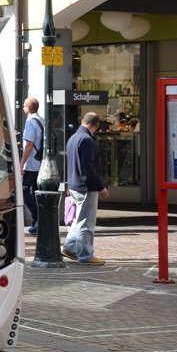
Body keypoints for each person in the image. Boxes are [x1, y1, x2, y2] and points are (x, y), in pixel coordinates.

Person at [63, 112, 109, 264]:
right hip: (86, 186)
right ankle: (86, 255)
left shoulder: (73, 138)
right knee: (86, 222)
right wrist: (100, 186)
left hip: (75, 184)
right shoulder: (87, 140)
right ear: (97, 126)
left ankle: (69, 248)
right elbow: (88, 167)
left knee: (78, 220)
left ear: (83, 121)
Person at [20, 97, 43, 234]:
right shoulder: (41, 120)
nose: (23, 108)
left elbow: (29, 144)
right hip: (40, 163)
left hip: (31, 164)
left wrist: (22, 163)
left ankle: (37, 217)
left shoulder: (30, 122)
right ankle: (38, 222)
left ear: (28, 109)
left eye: (24, 106)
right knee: (35, 192)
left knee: (22, 191)